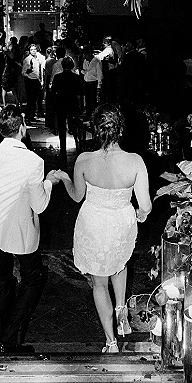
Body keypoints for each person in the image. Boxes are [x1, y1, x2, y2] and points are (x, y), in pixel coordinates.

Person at [56, 104, 151, 353]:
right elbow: (146, 206)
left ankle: (111, 342)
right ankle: (121, 310)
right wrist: (141, 215)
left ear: (96, 131)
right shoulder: (135, 161)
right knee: (118, 263)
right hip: (121, 222)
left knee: (100, 283)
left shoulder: (84, 160)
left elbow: (77, 196)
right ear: (121, 129)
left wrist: (65, 178)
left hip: (94, 223)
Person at [0, 105, 61, 353]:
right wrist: (49, 183)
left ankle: (4, 332)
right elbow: (39, 205)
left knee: (1, 281)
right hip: (20, 230)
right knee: (33, 279)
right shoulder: (33, 162)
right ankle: (8, 336)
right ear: (22, 129)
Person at [50, 56, 82, 162]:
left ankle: (63, 153)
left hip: (61, 104)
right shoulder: (76, 77)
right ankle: (79, 150)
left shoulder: (58, 77)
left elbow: (53, 92)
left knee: (62, 129)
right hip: (72, 104)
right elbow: (79, 93)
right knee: (75, 128)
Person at [22, 42, 46, 121]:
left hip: (36, 80)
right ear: (29, 51)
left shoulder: (37, 59)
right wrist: (29, 76)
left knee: (34, 99)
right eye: (32, 50)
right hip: (30, 81)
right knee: (30, 100)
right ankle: (28, 116)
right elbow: (23, 72)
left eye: (35, 49)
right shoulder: (27, 60)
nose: (33, 51)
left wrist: (40, 80)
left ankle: (31, 116)